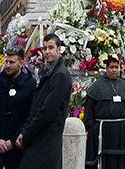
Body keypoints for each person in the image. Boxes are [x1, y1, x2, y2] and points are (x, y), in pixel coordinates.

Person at [18, 33, 74, 169]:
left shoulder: (60, 75)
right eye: (44, 48)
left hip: (47, 139)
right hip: (41, 137)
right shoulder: (50, 72)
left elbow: (47, 111)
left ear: (59, 49)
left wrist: (27, 134)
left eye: (51, 47)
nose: (47, 51)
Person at [0, 48, 36, 169]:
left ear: (21, 63)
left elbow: (29, 115)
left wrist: (12, 141)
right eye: (6, 61)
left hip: (16, 147)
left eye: (12, 62)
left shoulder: (30, 84)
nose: (8, 65)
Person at [85, 56, 125, 169]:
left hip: (122, 132)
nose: (114, 70)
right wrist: (94, 127)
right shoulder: (97, 86)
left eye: (116, 67)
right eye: (111, 67)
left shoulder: (124, 86)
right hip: (103, 132)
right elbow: (89, 112)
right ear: (106, 69)